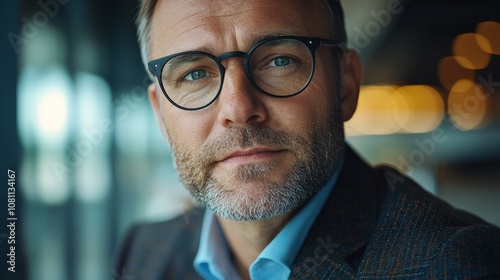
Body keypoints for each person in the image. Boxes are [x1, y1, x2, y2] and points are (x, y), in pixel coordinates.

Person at [114, 0, 500, 279]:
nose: (238, 107)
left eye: (280, 60)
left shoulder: (454, 262)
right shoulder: (142, 251)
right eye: (195, 75)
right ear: (161, 115)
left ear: (346, 84)